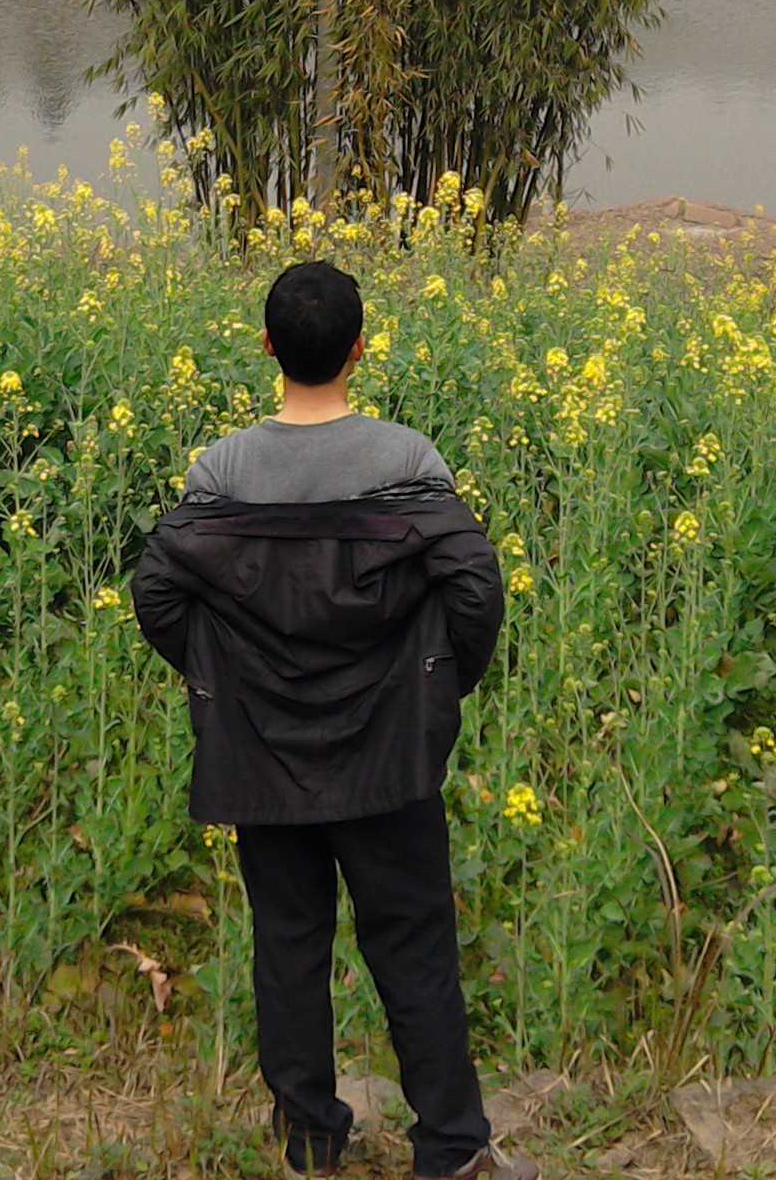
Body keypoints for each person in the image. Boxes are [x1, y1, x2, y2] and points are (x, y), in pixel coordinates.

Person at [130, 258, 518, 1180]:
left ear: (268, 348)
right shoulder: (407, 461)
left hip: (262, 755)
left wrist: (223, 676)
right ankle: (453, 1150)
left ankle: (309, 1144)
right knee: (415, 947)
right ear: (358, 349)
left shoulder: (224, 471)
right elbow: (474, 584)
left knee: (288, 947)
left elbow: (157, 589)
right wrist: (433, 686)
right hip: (389, 753)